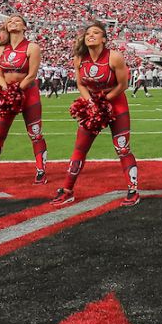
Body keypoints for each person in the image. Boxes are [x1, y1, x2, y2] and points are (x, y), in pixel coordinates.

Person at [50, 21, 140, 207]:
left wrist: (104, 101)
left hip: (115, 104)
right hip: (92, 105)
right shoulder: (79, 58)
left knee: (122, 148)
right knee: (80, 148)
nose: (91, 35)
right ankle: (67, 189)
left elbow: (123, 85)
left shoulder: (114, 57)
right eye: (88, 33)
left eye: (96, 33)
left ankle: (133, 190)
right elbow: (81, 84)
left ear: (104, 39)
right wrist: (91, 103)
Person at [0, 15, 49, 186]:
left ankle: (41, 171)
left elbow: (32, 75)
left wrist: (17, 90)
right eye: (10, 21)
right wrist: (6, 91)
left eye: (17, 20)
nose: (13, 22)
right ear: (6, 27)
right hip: (6, 94)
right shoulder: (1, 50)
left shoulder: (32, 47)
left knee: (35, 134)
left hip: (28, 93)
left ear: (25, 26)